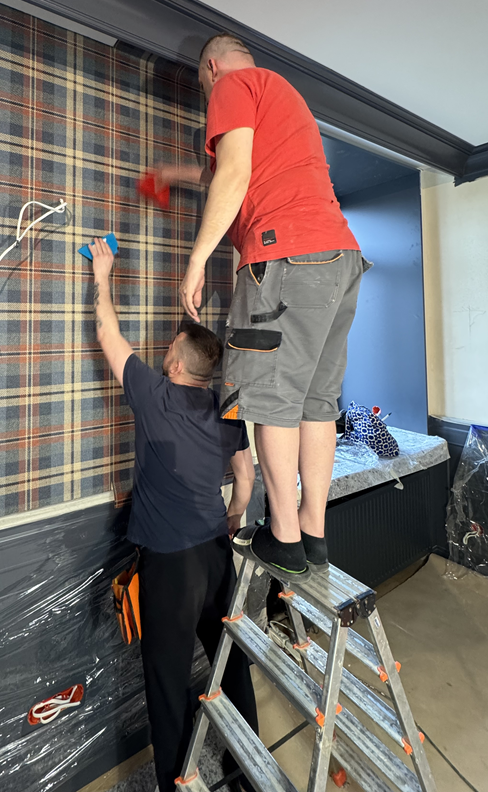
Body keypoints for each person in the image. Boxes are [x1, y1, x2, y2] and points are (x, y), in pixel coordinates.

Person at [155, 34, 369, 579]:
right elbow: (236, 169)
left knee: (272, 400)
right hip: (339, 259)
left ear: (211, 67)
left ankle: (284, 539)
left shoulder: (232, 85)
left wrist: (197, 260)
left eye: (203, 85)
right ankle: (312, 533)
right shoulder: (281, 96)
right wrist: (176, 175)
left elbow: (233, 173)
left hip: (286, 256)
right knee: (316, 401)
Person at [88, 236, 258, 792]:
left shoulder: (156, 396)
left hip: (171, 566)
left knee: (166, 687)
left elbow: (108, 336)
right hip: (216, 557)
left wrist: (103, 274)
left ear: (178, 363)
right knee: (231, 665)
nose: (163, 350)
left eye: (170, 347)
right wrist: (233, 517)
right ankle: (246, 774)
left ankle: (177, 785)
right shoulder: (224, 407)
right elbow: (246, 478)